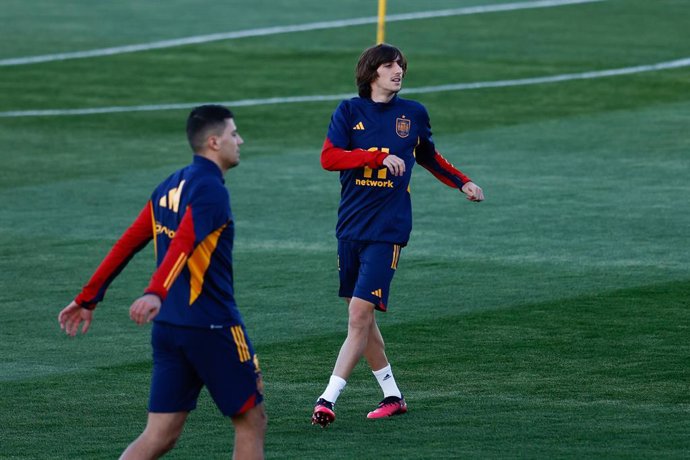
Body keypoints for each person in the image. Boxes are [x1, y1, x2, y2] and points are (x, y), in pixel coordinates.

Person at [58, 105, 266, 459]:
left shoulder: (171, 183)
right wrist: (154, 292)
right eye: (234, 133)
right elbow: (184, 243)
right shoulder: (211, 191)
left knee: (160, 435)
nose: (240, 140)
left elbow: (129, 241)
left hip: (169, 328)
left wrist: (88, 297)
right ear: (214, 142)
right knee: (251, 421)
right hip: (211, 325)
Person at [311, 44, 484, 428]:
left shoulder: (413, 114)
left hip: (387, 229)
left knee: (359, 313)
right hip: (350, 226)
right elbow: (329, 158)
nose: (398, 71)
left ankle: (327, 399)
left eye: (401, 65)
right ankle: (392, 395)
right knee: (363, 317)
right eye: (390, 65)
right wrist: (374, 156)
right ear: (372, 72)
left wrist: (462, 182)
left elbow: (429, 157)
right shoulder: (349, 111)